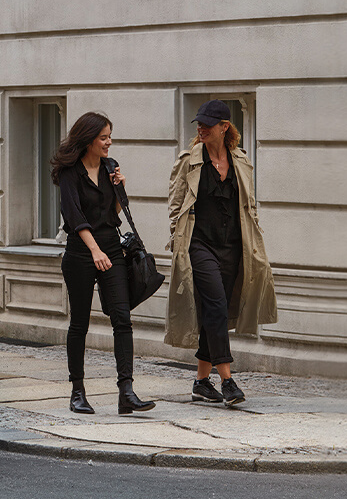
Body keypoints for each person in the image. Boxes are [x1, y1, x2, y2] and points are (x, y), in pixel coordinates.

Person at [164, 100, 278, 406]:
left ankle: (201, 382)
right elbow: (175, 206)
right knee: (215, 304)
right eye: (199, 124)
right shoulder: (189, 161)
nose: (201, 128)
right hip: (199, 244)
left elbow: (249, 205)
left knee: (216, 312)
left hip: (233, 247)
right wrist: (178, 240)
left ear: (224, 127)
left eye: (207, 124)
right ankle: (228, 381)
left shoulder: (240, 160)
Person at [51, 112, 155, 415]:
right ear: (89, 140)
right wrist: (94, 251)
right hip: (81, 252)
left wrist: (121, 188)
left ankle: (127, 392)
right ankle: (77, 392)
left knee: (122, 318)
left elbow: (113, 212)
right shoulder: (70, 173)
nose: (109, 142)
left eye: (110, 137)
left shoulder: (110, 166)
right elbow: (74, 216)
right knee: (80, 323)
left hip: (111, 247)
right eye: (103, 137)